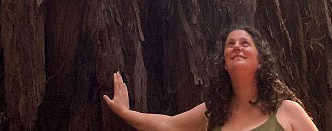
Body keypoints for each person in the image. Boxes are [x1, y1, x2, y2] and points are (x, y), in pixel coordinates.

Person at [102, 25, 318, 131]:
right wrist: (125, 112)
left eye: (245, 43)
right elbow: (169, 125)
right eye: (230, 44)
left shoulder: (287, 111)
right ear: (224, 63)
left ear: (260, 61)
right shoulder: (214, 113)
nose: (237, 47)